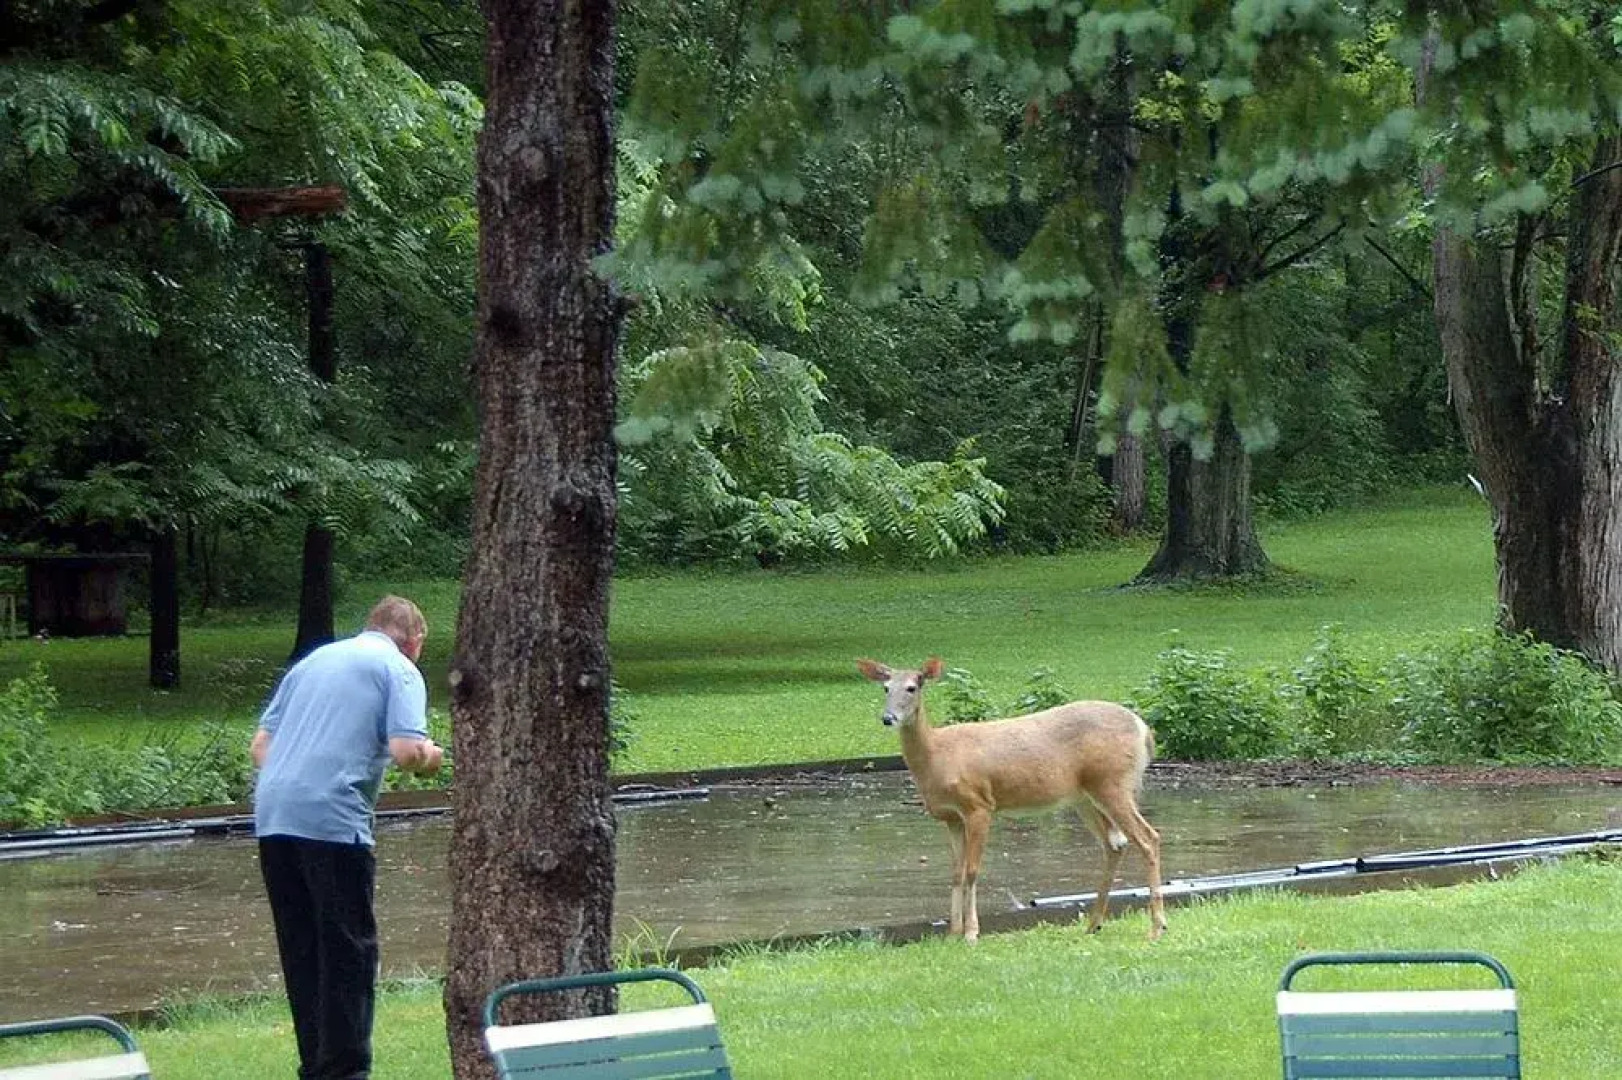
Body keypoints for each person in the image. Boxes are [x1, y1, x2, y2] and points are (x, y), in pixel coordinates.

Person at [250, 595, 445, 1080]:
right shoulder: (398, 669)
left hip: (273, 814)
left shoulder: (314, 661)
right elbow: (404, 752)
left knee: (303, 948)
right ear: (414, 641)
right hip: (333, 820)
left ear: (370, 626)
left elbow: (260, 748)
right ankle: (346, 1071)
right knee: (348, 949)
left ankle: (315, 1067)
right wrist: (432, 756)